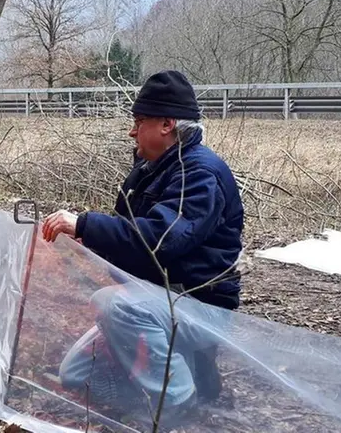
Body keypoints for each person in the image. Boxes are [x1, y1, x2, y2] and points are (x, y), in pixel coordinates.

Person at [42, 70, 244, 422]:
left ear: (166, 124)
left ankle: (178, 399)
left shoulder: (199, 174)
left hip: (199, 305)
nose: (132, 131)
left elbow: (162, 239)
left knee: (114, 306)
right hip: (155, 298)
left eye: (139, 121)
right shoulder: (152, 168)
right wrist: (86, 238)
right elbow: (129, 235)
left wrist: (86, 224)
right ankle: (189, 370)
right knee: (77, 374)